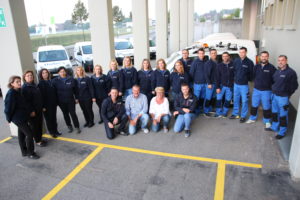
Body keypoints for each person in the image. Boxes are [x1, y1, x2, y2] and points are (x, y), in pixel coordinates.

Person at [4, 76, 39, 159]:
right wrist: (8, 118)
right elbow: (8, 108)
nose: (19, 83)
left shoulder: (19, 91)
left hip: (23, 116)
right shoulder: (11, 93)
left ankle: (24, 152)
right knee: (30, 134)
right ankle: (31, 153)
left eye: (19, 81)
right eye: (17, 82)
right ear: (12, 84)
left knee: (21, 135)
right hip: (18, 119)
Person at [266, 55, 298, 139]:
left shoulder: (291, 72)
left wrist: (287, 94)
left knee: (283, 116)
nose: (280, 62)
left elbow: (294, 86)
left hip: (283, 98)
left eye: (282, 60)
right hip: (274, 96)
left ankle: (282, 132)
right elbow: (274, 81)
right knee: (275, 113)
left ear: (286, 61)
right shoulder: (277, 71)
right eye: (279, 60)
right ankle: (274, 127)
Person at [246, 51, 276, 128]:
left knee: (266, 107)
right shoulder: (256, 67)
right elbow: (253, 76)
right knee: (254, 105)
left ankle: (267, 121)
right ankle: (252, 118)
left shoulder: (272, 68)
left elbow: (275, 80)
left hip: (267, 91)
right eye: (262, 56)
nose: (264, 58)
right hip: (256, 90)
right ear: (260, 57)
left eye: (265, 56)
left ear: (268, 57)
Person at [52, 67, 81, 133]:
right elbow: (54, 92)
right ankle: (69, 126)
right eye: (61, 71)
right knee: (65, 114)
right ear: (58, 73)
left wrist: (76, 98)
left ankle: (77, 127)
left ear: (66, 72)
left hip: (70, 100)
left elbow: (76, 90)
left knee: (73, 113)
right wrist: (56, 101)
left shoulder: (71, 79)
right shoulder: (55, 81)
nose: (62, 73)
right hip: (61, 101)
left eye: (63, 71)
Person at [22, 70, 47, 147]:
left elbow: (39, 97)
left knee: (39, 125)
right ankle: (38, 141)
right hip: (33, 112)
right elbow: (26, 102)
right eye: (28, 76)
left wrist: (42, 106)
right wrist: (31, 111)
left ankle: (40, 138)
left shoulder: (34, 85)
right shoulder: (25, 88)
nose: (30, 76)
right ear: (24, 78)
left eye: (31, 75)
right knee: (35, 127)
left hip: (39, 109)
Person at [229, 47, 254, 123]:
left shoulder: (249, 62)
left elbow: (252, 74)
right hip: (236, 85)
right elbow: (233, 71)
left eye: (243, 52)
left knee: (244, 101)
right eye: (240, 52)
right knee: (236, 100)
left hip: (244, 86)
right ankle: (236, 114)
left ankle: (243, 116)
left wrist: (247, 79)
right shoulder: (236, 61)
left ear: (246, 52)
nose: (241, 54)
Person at [38, 69, 61, 138]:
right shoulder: (41, 84)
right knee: (49, 119)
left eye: (46, 72)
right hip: (46, 106)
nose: (45, 74)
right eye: (43, 73)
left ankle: (56, 131)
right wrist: (43, 106)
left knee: (54, 118)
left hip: (53, 104)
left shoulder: (50, 81)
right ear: (41, 75)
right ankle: (52, 132)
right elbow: (41, 96)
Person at [215, 52, 234, 118]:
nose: (225, 57)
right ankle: (218, 112)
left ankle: (225, 112)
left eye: (226, 56)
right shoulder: (219, 65)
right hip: (221, 86)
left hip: (230, 86)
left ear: (229, 57)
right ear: (222, 57)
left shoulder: (232, 65)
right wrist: (217, 87)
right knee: (218, 99)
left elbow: (235, 75)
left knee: (228, 100)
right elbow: (217, 77)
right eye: (223, 56)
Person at [190, 48, 207, 114]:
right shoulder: (195, 62)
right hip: (197, 84)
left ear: (204, 54)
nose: (201, 55)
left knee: (203, 98)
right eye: (200, 53)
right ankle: (195, 111)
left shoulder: (206, 61)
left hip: (205, 84)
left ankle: (202, 109)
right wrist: (194, 82)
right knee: (196, 98)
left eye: (202, 53)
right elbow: (191, 73)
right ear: (198, 54)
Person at [204, 48, 218, 115]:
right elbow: (206, 74)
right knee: (208, 98)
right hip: (210, 84)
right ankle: (206, 111)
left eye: (215, 53)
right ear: (210, 54)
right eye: (212, 53)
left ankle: (210, 109)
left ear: (216, 54)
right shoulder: (208, 63)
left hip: (215, 83)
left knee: (213, 97)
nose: (214, 54)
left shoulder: (217, 62)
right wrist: (209, 83)